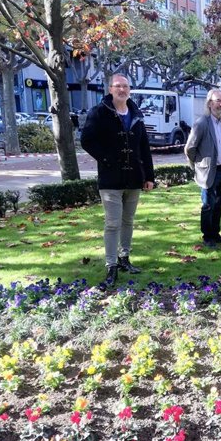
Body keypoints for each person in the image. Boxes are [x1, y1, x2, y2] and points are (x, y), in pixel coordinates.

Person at [80, 73, 155, 287]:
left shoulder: (135, 113)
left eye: (125, 86)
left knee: (128, 221)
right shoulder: (99, 112)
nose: (122, 90)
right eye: (117, 86)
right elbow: (86, 140)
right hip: (110, 179)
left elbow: (144, 147)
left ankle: (124, 258)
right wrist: (107, 158)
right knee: (112, 223)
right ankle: (111, 266)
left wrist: (149, 176)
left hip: (133, 178)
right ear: (110, 89)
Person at [184, 88, 221, 248]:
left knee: (219, 204)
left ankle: (216, 234)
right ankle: (207, 236)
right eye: (218, 101)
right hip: (208, 172)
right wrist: (197, 166)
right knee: (208, 205)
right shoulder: (202, 123)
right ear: (210, 103)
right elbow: (190, 148)